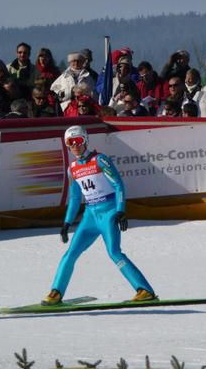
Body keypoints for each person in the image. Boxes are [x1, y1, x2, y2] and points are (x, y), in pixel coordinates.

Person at [43, 126, 156, 305]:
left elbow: (118, 185)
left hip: (108, 211)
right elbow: (74, 197)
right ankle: (56, 292)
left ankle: (144, 290)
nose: (75, 146)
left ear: (86, 140)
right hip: (90, 215)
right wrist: (67, 223)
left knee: (114, 252)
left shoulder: (100, 160)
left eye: (78, 141)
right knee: (70, 253)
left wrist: (120, 211)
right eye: (70, 143)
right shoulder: (72, 168)